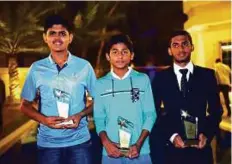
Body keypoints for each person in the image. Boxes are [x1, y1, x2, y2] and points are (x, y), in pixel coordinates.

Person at [20, 15, 96, 164]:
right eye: (52, 33)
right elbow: (24, 105)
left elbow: (99, 100)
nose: (57, 38)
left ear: (70, 37)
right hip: (48, 144)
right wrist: (44, 120)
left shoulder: (84, 66)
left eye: (62, 33)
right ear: (45, 37)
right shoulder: (36, 68)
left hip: (79, 142)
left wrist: (81, 114)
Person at [152, 30, 222, 164]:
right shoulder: (161, 78)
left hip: (201, 151)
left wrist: (206, 135)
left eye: (185, 44)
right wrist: (172, 136)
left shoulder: (207, 75)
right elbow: (154, 112)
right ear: (169, 50)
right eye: (176, 45)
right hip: (172, 152)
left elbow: (216, 111)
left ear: (192, 47)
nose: (181, 49)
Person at [94, 34, 156, 164]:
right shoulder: (100, 84)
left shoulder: (142, 79)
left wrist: (138, 145)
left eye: (124, 52)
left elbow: (150, 115)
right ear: (107, 56)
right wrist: (107, 143)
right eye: (115, 52)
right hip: (111, 152)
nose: (120, 56)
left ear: (131, 55)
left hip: (140, 151)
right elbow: (99, 118)